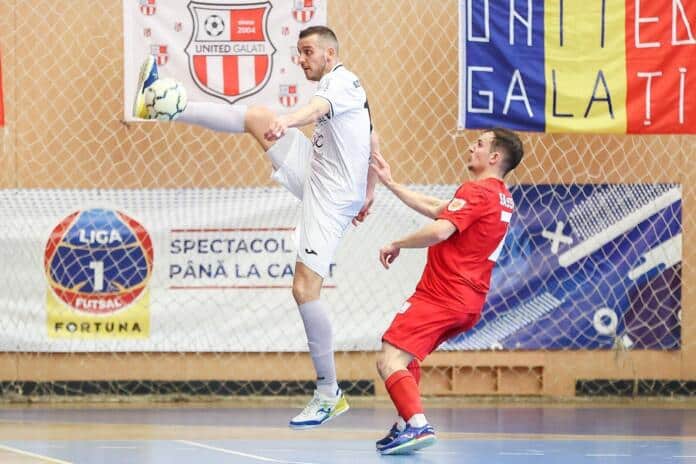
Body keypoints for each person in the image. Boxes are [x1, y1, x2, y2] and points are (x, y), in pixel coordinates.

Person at [133, 26, 377, 429]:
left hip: (330, 196)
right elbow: (372, 138)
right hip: (321, 172)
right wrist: (369, 190)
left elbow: (316, 110)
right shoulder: (348, 88)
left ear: (330, 53)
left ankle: (328, 393)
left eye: (308, 51)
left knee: (304, 289)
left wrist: (289, 121)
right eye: (299, 52)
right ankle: (163, 106)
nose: (301, 59)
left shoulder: (340, 82)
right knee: (258, 117)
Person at [369, 128, 524, 455]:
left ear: (494, 157)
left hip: (443, 295)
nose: (472, 147)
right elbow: (439, 207)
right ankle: (404, 425)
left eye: (480, 144)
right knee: (404, 356)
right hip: (468, 302)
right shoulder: (501, 197)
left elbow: (441, 229)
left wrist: (397, 243)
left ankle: (417, 425)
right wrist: (391, 183)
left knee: (389, 359)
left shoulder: (476, 191)